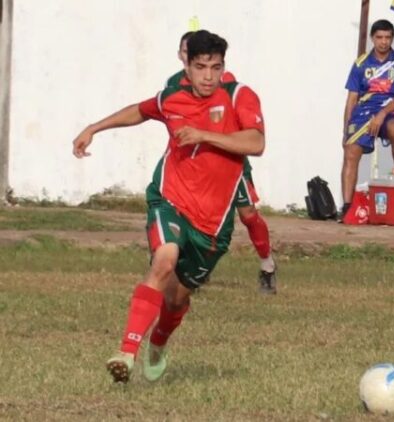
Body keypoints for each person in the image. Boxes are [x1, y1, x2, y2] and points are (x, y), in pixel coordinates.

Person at [72, 30, 267, 383]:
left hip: (212, 223)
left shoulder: (239, 95)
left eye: (215, 67)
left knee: (176, 300)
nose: (208, 76)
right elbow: (141, 111)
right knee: (164, 261)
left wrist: (204, 134)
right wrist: (94, 127)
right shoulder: (173, 97)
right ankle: (126, 352)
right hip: (170, 200)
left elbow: (255, 142)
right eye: (200, 67)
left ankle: (158, 342)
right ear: (186, 66)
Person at [167, 31, 279, 294]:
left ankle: (268, 265)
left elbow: (245, 130)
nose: (206, 71)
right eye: (186, 52)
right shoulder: (173, 85)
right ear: (182, 57)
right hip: (195, 168)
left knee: (248, 214)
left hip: (229, 162)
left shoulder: (225, 84)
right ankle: (191, 269)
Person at [341, 19, 394, 219]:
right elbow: (352, 98)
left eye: (387, 37)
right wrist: (346, 131)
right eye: (379, 37)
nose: (383, 42)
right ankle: (347, 207)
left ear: (392, 38)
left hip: (389, 110)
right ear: (372, 38)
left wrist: (381, 115)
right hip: (363, 112)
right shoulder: (360, 63)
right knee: (351, 151)